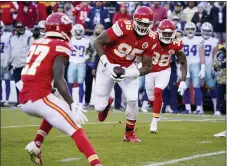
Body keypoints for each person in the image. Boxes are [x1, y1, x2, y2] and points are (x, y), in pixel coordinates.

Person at [19, 13, 101, 166]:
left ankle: (36, 144)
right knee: (77, 129)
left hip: (24, 95)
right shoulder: (60, 45)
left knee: (57, 102)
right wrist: (72, 103)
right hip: (39, 97)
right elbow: (58, 80)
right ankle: (97, 164)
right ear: (63, 29)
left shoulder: (37, 42)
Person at [94, 6, 156, 142]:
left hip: (127, 67)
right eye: (141, 23)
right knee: (99, 106)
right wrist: (107, 64)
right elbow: (97, 42)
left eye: (146, 24)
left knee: (133, 100)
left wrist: (128, 72)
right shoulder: (122, 26)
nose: (143, 27)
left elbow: (147, 67)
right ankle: (106, 104)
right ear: (134, 20)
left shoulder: (151, 38)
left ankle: (129, 134)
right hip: (108, 64)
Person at [145, 19, 187, 133]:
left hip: (164, 71)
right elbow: (140, 51)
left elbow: (183, 61)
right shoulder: (151, 39)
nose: (167, 36)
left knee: (158, 92)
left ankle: (154, 123)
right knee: (151, 98)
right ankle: (158, 106)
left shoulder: (175, 44)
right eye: (165, 33)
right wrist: (140, 63)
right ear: (159, 32)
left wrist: (183, 80)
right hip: (149, 71)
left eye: (170, 33)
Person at [3, 21, 32, 106]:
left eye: (21, 28)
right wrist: (6, 64)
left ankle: (27, 101)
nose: (19, 29)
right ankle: (20, 101)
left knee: (25, 84)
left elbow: (32, 51)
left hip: (25, 65)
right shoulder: (11, 38)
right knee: (17, 84)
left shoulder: (28, 38)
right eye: (18, 28)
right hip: (15, 65)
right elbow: (8, 52)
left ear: (24, 28)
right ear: (15, 29)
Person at [67, 24, 93, 108]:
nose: (78, 33)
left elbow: (91, 52)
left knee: (81, 83)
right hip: (72, 62)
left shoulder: (86, 41)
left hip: (81, 63)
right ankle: (70, 102)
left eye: (80, 31)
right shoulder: (70, 40)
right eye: (77, 31)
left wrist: (86, 57)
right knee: (70, 83)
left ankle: (80, 103)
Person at [182, 22, 205, 115]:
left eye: (192, 29)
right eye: (188, 29)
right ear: (185, 30)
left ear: (195, 30)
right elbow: (180, 55)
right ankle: (187, 108)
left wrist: (203, 68)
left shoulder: (199, 39)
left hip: (196, 64)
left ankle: (199, 108)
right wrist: (181, 67)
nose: (190, 31)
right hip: (185, 65)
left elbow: (201, 54)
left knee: (197, 87)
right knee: (185, 86)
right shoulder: (182, 40)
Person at [200, 22, 219, 115]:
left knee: (212, 87)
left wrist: (214, 67)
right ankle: (200, 108)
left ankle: (216, 109)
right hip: (199, 65)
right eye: (205, 30)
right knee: (199, 88)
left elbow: (216, 55)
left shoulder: (215, 41)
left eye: (208, 31)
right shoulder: (198, 39)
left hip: (210, 66)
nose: (206, 32)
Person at [84, 24, 105, 108]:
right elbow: (85, 52)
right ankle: (87, 102)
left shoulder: (105, 40)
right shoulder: (88, 39)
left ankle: (99, 103)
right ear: (94, 29)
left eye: (101, 28)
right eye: (97, 28)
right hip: (89, 63)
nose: (99, 30)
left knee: (100, 86)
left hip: (100, 65)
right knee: (88, 84)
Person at [0, 21, 12, 106]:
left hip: (5, 61)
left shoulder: (8, 36)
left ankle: (7, 100)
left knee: (7, 81)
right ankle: (1, 99)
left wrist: (8, 61)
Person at [213, 43, 226, 116]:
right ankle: (218, 110)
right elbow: (215, 64)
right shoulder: (220, 54)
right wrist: (221, 64)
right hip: (221, 78)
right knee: (220, 96)